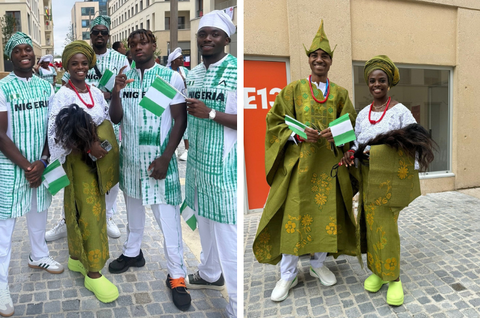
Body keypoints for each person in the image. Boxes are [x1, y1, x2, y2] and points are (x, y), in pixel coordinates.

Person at [252, 20, 358, 302]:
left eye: (324, 56)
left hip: (329, 169)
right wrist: (296, 136)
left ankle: (318, 264)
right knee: (293, 218)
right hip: (298, 168)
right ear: (309, 59)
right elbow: (274, 122)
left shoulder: (340, 93)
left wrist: (336, 132)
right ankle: (287, 274)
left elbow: (351, 123)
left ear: (331, 61)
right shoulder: (293, 90)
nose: (319, 60)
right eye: (314, 55)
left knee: (326, 217)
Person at [341, 55, 434, 306]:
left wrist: (382, 152)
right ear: (368, 84)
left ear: (389, 83)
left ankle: (394, 278)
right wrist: (352, 154)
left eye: (381, 80)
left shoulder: (400, 111)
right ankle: (378, 272)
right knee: (370, 224)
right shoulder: (362, 115)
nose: (376, 84)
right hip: (369, 179)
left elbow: (415, 142)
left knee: (387, 228)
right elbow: (358, 143)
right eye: (372, 80)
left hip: (390, 180)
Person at [108, 29, 190, 311]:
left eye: (143, 42)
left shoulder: (171, 77)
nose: (137, 47)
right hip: (130, 161)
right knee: (133, 214)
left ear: (154, 45)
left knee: (168, 222)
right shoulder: (124, 74)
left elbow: (180, 120)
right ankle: (132, 253)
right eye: (132, 44)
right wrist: (116, 93)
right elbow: (115, 118)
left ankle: (177, 275)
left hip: (158, 163)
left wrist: (168, 157)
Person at [48, 40, 120, 303]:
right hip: (79, 163)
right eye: (74, 63)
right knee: (88, 213)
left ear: (90, 64)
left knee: (92, 210)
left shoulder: (96, 92)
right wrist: (89, 148)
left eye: (84, 62)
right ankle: (93, 272)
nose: (80, 67)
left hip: (97, 163)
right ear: (67, 66)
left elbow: (106, 119)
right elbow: (59, 133)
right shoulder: (63, 95)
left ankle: (77, 258)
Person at [48, 15, 129, 241]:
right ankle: (68, 223)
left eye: (104, 32)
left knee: (107, 182)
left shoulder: (119, 60)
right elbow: (62, 118)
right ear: (91, 36)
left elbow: (112, 112)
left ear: (109, 34)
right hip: (78, 150)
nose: (100, 35)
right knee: (77, 193)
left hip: (103, 139)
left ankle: (107, 217)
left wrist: (113, 94)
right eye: (95, 32)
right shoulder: (66, 91)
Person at [0, 32, 64, 317]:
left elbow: (53, 129)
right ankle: (1, 285)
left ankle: (38, 256)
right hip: (11, 167)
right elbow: (0, 134)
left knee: (39, 213)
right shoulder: (3, 88)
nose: (24, 54)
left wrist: (44, 160)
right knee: (4, 229)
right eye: (18, 50)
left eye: (28, 49)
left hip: (41, 164)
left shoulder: (45, 87)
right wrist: (28, 166)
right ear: (10, 56)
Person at [184, 10, 237, 317]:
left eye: (214, 34)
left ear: (226, 39)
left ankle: (236, 304)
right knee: (204, 224)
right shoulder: (192, 74)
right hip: (197, 163)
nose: (207, 39)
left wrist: (212, 114)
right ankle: (209, 274)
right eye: (203, 34)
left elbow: (246, 121)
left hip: (223, 167)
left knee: (227, 234)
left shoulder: (234, 70)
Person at [167, 47, 189, 161]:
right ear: (174, 60)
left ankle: (186, 149)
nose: (182, 60)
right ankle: (173, 148)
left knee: (184, 125)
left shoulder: (185, 71)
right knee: (171, 125)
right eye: (180, 58)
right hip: (170, 102)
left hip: (183, 100)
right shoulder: (167, 71)